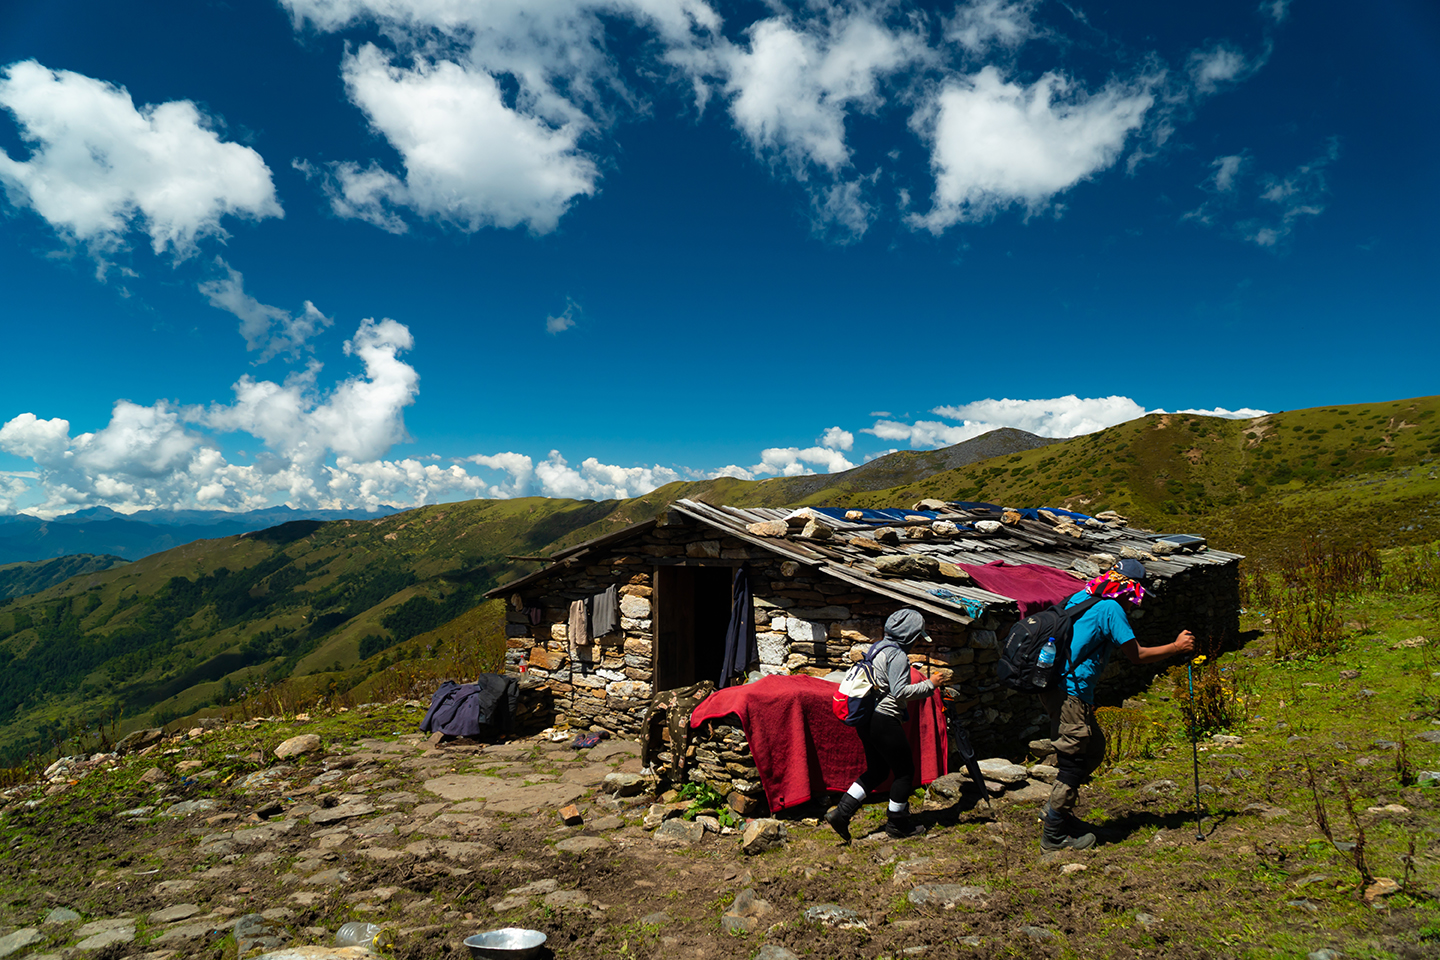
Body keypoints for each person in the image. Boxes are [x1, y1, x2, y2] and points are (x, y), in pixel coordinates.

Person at [1039, 558, 1196, 850]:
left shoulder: (1082, 596)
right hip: (1071, 693)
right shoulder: (1111, 608)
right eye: (1136, 595)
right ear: (1129, 589)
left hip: (1057, 688)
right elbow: (1136, 655)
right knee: (1073, 762)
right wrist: (1176, 648)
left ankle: (1059, 812)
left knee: (1094, 748)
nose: (1136, 604)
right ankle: (1054, 833)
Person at [825, 608, 935, 842]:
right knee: (905, 772)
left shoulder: (877, 648)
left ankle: (841, 813)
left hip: (867, 718)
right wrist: (931, 685)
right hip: (884, 719)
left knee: (878, 770)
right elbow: (899, 692)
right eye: (916, 637)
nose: (916, 643)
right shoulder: (897, 655)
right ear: (907, 635)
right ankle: (897, 824)